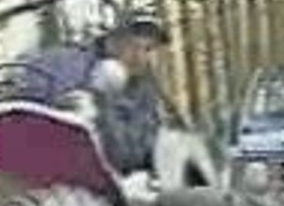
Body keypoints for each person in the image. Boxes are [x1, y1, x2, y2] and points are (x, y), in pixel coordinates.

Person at [14, 9, 168, 175]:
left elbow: (133, 155)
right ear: (112, 39)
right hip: (47, 173)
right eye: (132, 45)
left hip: (109, 186)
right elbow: (22, 112)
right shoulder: (63, 63)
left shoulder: (145, 93)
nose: (139, 56)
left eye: (148, 49)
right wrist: (58, 111)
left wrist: (101, 107)